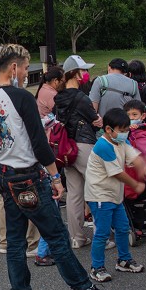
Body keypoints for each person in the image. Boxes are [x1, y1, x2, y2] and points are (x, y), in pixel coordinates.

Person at [0, 42, 116, 290]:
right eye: (24, 67)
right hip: (28, 174)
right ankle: (81, 289)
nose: (25, 74)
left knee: (16, 240)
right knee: (56, 235)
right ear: (15, 67)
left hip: (4, 173)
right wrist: (55, 177)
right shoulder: (21, 98)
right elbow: (39, 143)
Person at [84, 107, 146, 281]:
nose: (125, 133)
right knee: (103, 234)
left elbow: (133, 157)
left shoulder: (120, 142)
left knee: (122, 228)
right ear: (108, 129)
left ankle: (124, 260)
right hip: (99, 195)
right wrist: (135, 184)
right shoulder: (103, 145)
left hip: (114, 195)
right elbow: (117, 173)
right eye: (122, 130)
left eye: (126, 130)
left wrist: (143, 166)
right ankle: (96, 268)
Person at [52, 54, 102, 251]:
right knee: (97, 189)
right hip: (84, 145)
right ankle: (102, 235)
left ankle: (77, 237)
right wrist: (97, 120)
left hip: (67, 149)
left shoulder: (59, 98)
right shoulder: (82, 97)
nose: (85, 74)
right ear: (74, 73)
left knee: (74, 194)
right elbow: (95, 120)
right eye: (83, 70)